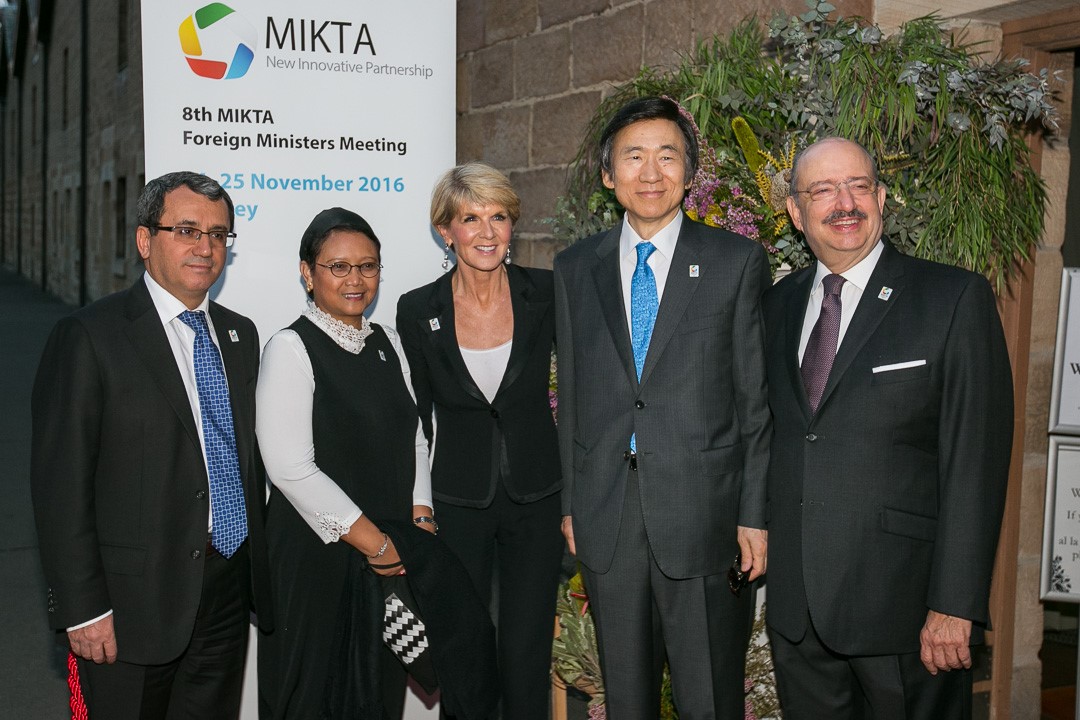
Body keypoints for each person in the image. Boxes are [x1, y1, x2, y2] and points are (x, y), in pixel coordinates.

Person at [762, 137, 1013, 719]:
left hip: (908, 615)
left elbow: (975, 463)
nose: (843, 203)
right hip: (800, 618)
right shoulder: (776, 305)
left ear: (881, 197)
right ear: (796, 213)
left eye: (857, 186)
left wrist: (955, 604)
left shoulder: (952, 298)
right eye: (822, 190)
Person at [553, 96, 771, 717]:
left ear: (689, 170)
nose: (651, 173)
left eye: (667, 156)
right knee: (626, 699)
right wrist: (572, 504)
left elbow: (754, 403)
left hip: (706, 518)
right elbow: (572, 399)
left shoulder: (735, 261)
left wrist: (754, 515)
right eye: (634, 156)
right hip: (608, 517)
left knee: (709, 697)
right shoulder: (575, 268)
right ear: (608, 173)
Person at [30, 171, 273, 718]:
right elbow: (59, 489)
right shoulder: (90, 337)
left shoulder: (240, 335)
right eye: (186, 230)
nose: (205, 247)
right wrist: (83, 608)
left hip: (225, 593)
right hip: (129, 608)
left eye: (218, 234)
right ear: (145, 241)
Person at [396, 163, 563, 719]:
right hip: (457, 502)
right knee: (464, 650)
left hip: (537, 499)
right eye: (471, 218)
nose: (487, 232)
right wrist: (419, 506)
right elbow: (416, 418)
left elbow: (583, 398)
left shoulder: (547, 293)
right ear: (446, 230)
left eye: (499, 217)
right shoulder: (418, 310)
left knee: (525, 652)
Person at [255, 208, 435, 719]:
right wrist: (373, 542)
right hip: (317, 560)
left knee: (376, 693)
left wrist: (420, 517)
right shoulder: (290, 349)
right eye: (338, 267)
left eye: (368, 266)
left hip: (389, 554)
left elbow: (414, 437)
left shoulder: (389, 344)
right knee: (312, 694)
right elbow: (290, 468)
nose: (355, 280)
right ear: (307, 273)